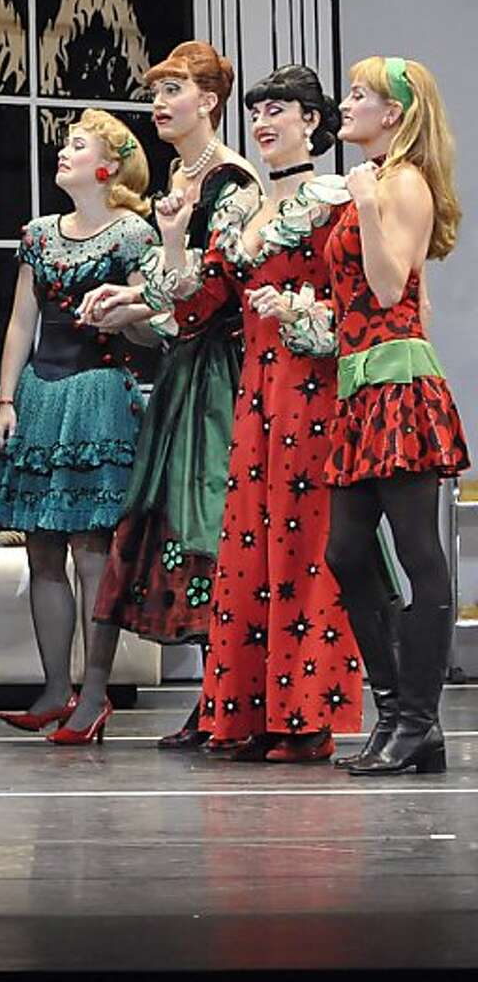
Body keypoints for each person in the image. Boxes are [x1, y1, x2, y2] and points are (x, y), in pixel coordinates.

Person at [142, 64, 361, 763]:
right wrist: (173, 235)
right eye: (259, 111)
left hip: (311, 392)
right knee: (247, 550)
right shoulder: (247, 214)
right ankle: (251, 712)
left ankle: (305, 717)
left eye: (279, 110)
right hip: (256, 392)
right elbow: (192, 309)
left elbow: (354, 312)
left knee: (301, 546)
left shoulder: (334, 202)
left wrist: (295, 310)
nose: (263, 122)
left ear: (312, 122)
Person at [76, 41, 259, 747]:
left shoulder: (231, 180)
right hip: (187, 367)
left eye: (173, 89)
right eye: (156, 90)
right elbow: (171, 288)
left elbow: (213, 289)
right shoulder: (181, 178)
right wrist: (125, 300)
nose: (159, 102)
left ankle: (232, 700)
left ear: (208, 101)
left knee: (210, 524)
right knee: (180, 529)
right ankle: (217, 697)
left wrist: (139, 305)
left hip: (223, 372)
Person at [0, 111, 156, 745]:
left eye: (78, 145)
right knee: (42, 549)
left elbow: (150, 327)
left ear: (107, 167)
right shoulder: (38, 234)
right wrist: (6, 399)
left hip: (97, 393)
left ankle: (96, 693)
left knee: (91, 551)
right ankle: (56, 688)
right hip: (42, 395)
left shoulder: (131, 234)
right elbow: (20, 323)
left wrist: (121, 315)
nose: (64, 152)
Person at [324, 56, 466, 776]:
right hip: (363, 383)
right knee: (345, 551)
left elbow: (388, 288)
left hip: (396, 384)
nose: (346, 103)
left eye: (360, 95)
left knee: (417, 552)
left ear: (394, 114)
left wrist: (363, 200)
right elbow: (411, 297)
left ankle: (416, 721)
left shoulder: (401, 182)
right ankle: (396, 715)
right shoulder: (379, 182)